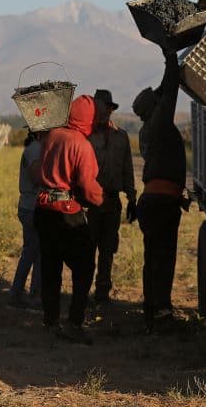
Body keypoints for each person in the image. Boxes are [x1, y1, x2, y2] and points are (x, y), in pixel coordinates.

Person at [35, 95, 104, 344]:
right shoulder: (81, 145)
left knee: (50, 267)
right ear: (88, 119)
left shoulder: (51, 135)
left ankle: (50, 322)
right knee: (84, 267)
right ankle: (74, 322)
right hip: (67, 212)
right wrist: (100, 199)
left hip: (43, 209)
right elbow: (87, 186)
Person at [132, 47, 188, 331]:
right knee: (164, 257)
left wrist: (170, 61)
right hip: (162, 203)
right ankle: (162, 312)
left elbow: (165, 91)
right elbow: (171, 92)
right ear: (154, 107)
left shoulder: (149, 128)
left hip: (153, 201)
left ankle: (151, 310)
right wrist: (171, 57)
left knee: (152, 256)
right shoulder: (160, 124)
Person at [87, 89, 136, 305]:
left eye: (107, 107)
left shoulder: (121, 137)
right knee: (88, 249)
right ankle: (82, 290)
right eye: (100, 107)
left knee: (107, 250)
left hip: (112, 201)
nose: (104, 111)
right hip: (89, 202)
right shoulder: (86, 135)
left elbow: (127, 170)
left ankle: (102, 293)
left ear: (111, 110)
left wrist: (132, 199)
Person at [7, 129, 43, 309]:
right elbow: (37, 177)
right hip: (32, 208)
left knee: (32, 252)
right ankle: (32, 296)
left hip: (29, 206)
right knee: (36, 253)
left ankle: (19, 294)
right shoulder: (36, 149)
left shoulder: (34, 148)